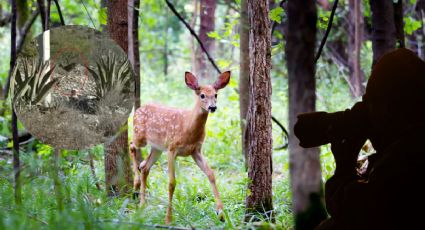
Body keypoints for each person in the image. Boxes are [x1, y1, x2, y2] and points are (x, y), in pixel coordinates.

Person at [303, 48, 425, 230]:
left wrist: (345, 166)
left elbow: (354, 212)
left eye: (371, 103)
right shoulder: (411, 140)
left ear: (389, 108)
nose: (367, 112)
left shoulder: (407, 154)